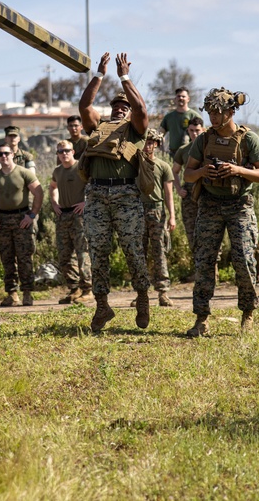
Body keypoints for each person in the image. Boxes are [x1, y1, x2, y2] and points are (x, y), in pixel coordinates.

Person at [183, 87, 259, 336]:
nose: (213, 117)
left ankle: (248, 314)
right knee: (204, 262)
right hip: (209, 204)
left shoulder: (248, 139)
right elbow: (188, 174)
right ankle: (201, 319)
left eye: (217, 112)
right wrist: (202, 172)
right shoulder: (204, 139)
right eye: (210, 112)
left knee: (243, 259)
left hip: (239, 205)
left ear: (231, 112)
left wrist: (237, 170)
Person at [78, 52, 152, 332]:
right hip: (96, 195)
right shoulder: (97, 127)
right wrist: (99, 74)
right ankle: (102, 306)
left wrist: (124, 78)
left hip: (125, 196)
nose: (120, 108)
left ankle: (142, 298)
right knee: (97, 251)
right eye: (116, 106)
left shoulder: (135, 129)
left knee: (133, 250)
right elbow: (85, 105)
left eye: (124, 106)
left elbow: (142, 109)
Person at [0, 143, 44, 306]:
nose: (4, 157)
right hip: (3, 221)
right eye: (0, 154)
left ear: (13, 155)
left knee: (24, 258)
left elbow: (38, 193)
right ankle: (12, 294)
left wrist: (32, 215)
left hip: (21, 220)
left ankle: (27, 293)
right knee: (7, 258)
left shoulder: (24, 173)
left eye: (6, 153)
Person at [134, 129, 176, 307]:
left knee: (159, 252)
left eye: (152, 142)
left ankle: (163, 292)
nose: (148, 145)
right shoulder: (134, 165)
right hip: (137, 211)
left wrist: (172, 216)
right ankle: (140, 294)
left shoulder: (163, 166)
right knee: (138, 253)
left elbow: (168, 194)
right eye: (146, 141)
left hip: (157, 211)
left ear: (157, 145)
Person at [49, 139, 92, 304]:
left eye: (66, 150)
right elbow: (53, 186)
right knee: (64, 255)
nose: (64, 154)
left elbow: (94, 186)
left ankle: (88, 289)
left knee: (83, 254)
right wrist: (54, 203)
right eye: (60, 151)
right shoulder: (58, 171)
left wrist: (86, 202)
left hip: (79, 216)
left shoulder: (81, 167)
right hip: (63, 216)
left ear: (73, 151)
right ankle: (75, 289)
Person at [172, 117, 205, 282]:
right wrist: (178, 189)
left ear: (203, 130)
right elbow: (174, 171)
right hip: (190, 196)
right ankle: (199, 271)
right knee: (192, 233)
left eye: (198, 130)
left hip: (207, 195)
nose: (195, 133)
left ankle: (211, 271)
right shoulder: (184, 150)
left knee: (209, 233)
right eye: (192, 130)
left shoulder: (209, 147)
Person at [160, 87, 202, 153]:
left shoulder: (195, 116)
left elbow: (202, 135)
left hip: (191, 153)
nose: (181, 98)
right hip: (173, 154)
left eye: (183, 96)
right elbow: (160, 135)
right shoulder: (169, 117)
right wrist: (162, 151)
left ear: (188, 99)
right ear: (175, 99)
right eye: (178, 96)